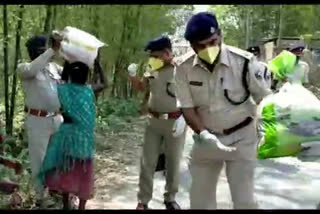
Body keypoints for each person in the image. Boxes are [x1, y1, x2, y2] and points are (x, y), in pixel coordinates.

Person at [174, 12, 272, 209]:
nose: (208, 49)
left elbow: (262, 96)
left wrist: (259, 125)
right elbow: (187, 107)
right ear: (192, 46)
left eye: (212, 42)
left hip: (242, 138)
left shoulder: (244, 62)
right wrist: (203, 134)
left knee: (244, 200)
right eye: (200, 46)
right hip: (206, 139)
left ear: (220, 35)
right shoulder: (183, 68)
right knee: (200, 201)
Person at [127, 36, 187, 210]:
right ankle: (143, 200)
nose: (152, 59)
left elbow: (193, 96)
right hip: (153, 122)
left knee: (173, 163)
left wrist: (185, 116)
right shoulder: (152, 68)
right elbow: (143, 87)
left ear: (167, 53)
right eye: (150, 56)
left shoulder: (181, 71)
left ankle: (170, 198)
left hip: (175, 123)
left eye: (155, 55)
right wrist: (132, 78)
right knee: (147, 162)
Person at [38, 61, 96, 210]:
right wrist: (98, 64)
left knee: (66, 170)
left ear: (70, 75)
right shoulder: (89, 91)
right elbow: (104, 83)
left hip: (68, 136)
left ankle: (66, 204)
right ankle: (81, 206)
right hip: (85, 139)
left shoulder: (63, 89)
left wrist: (66, 62)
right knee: (84, 171)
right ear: (86, 76)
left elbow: (63, 80)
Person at [17, 35, 63, 208]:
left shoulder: (54, 67)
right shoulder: (25, 67)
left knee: (56, 157)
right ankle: (40, 197)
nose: (44, 52)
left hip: (56, 118)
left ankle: (55, 189)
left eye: (45, 49)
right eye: (41, 50)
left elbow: (69, 76)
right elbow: (33, 68)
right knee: (39, 159)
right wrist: (52, 50)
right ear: (33, 52)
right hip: (37, 120)